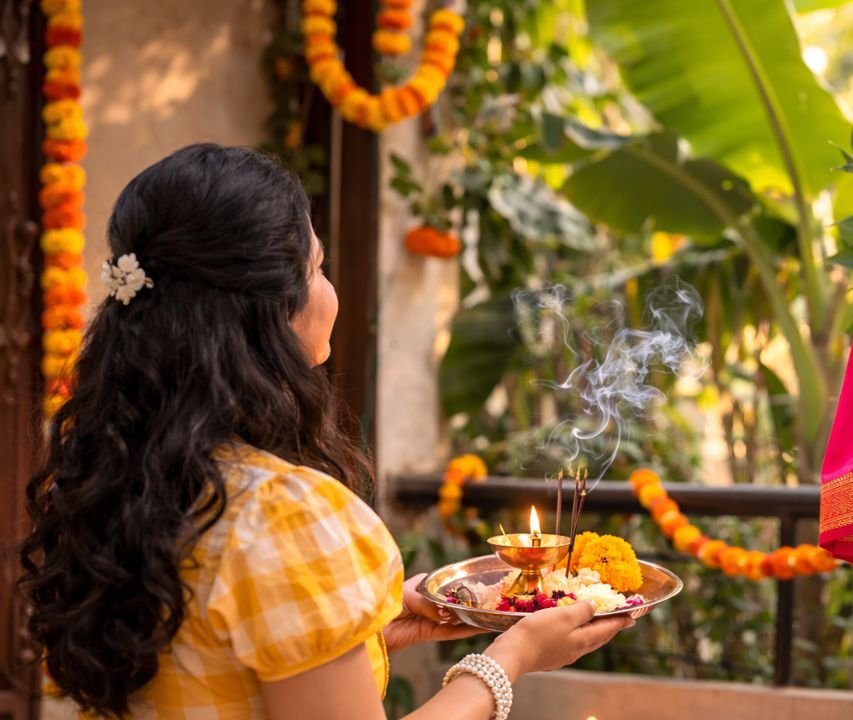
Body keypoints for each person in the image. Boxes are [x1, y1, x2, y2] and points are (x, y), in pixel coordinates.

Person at [19, 143, 632, 719]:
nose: (329, 289)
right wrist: (509, 659)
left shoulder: (103, 479)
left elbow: (212, 656)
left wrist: (377, 627)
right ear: (270, 311)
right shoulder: (283, 513)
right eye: (317, 268)